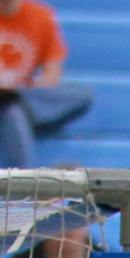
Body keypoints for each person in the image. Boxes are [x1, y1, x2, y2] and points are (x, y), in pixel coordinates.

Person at [0, 0, 89, 169]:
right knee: (12, 110)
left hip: (27, 97)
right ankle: (25, 182)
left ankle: (14, 97)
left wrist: (27, 90)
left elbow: (52, 74)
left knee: (82, 94)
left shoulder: (40, 16)